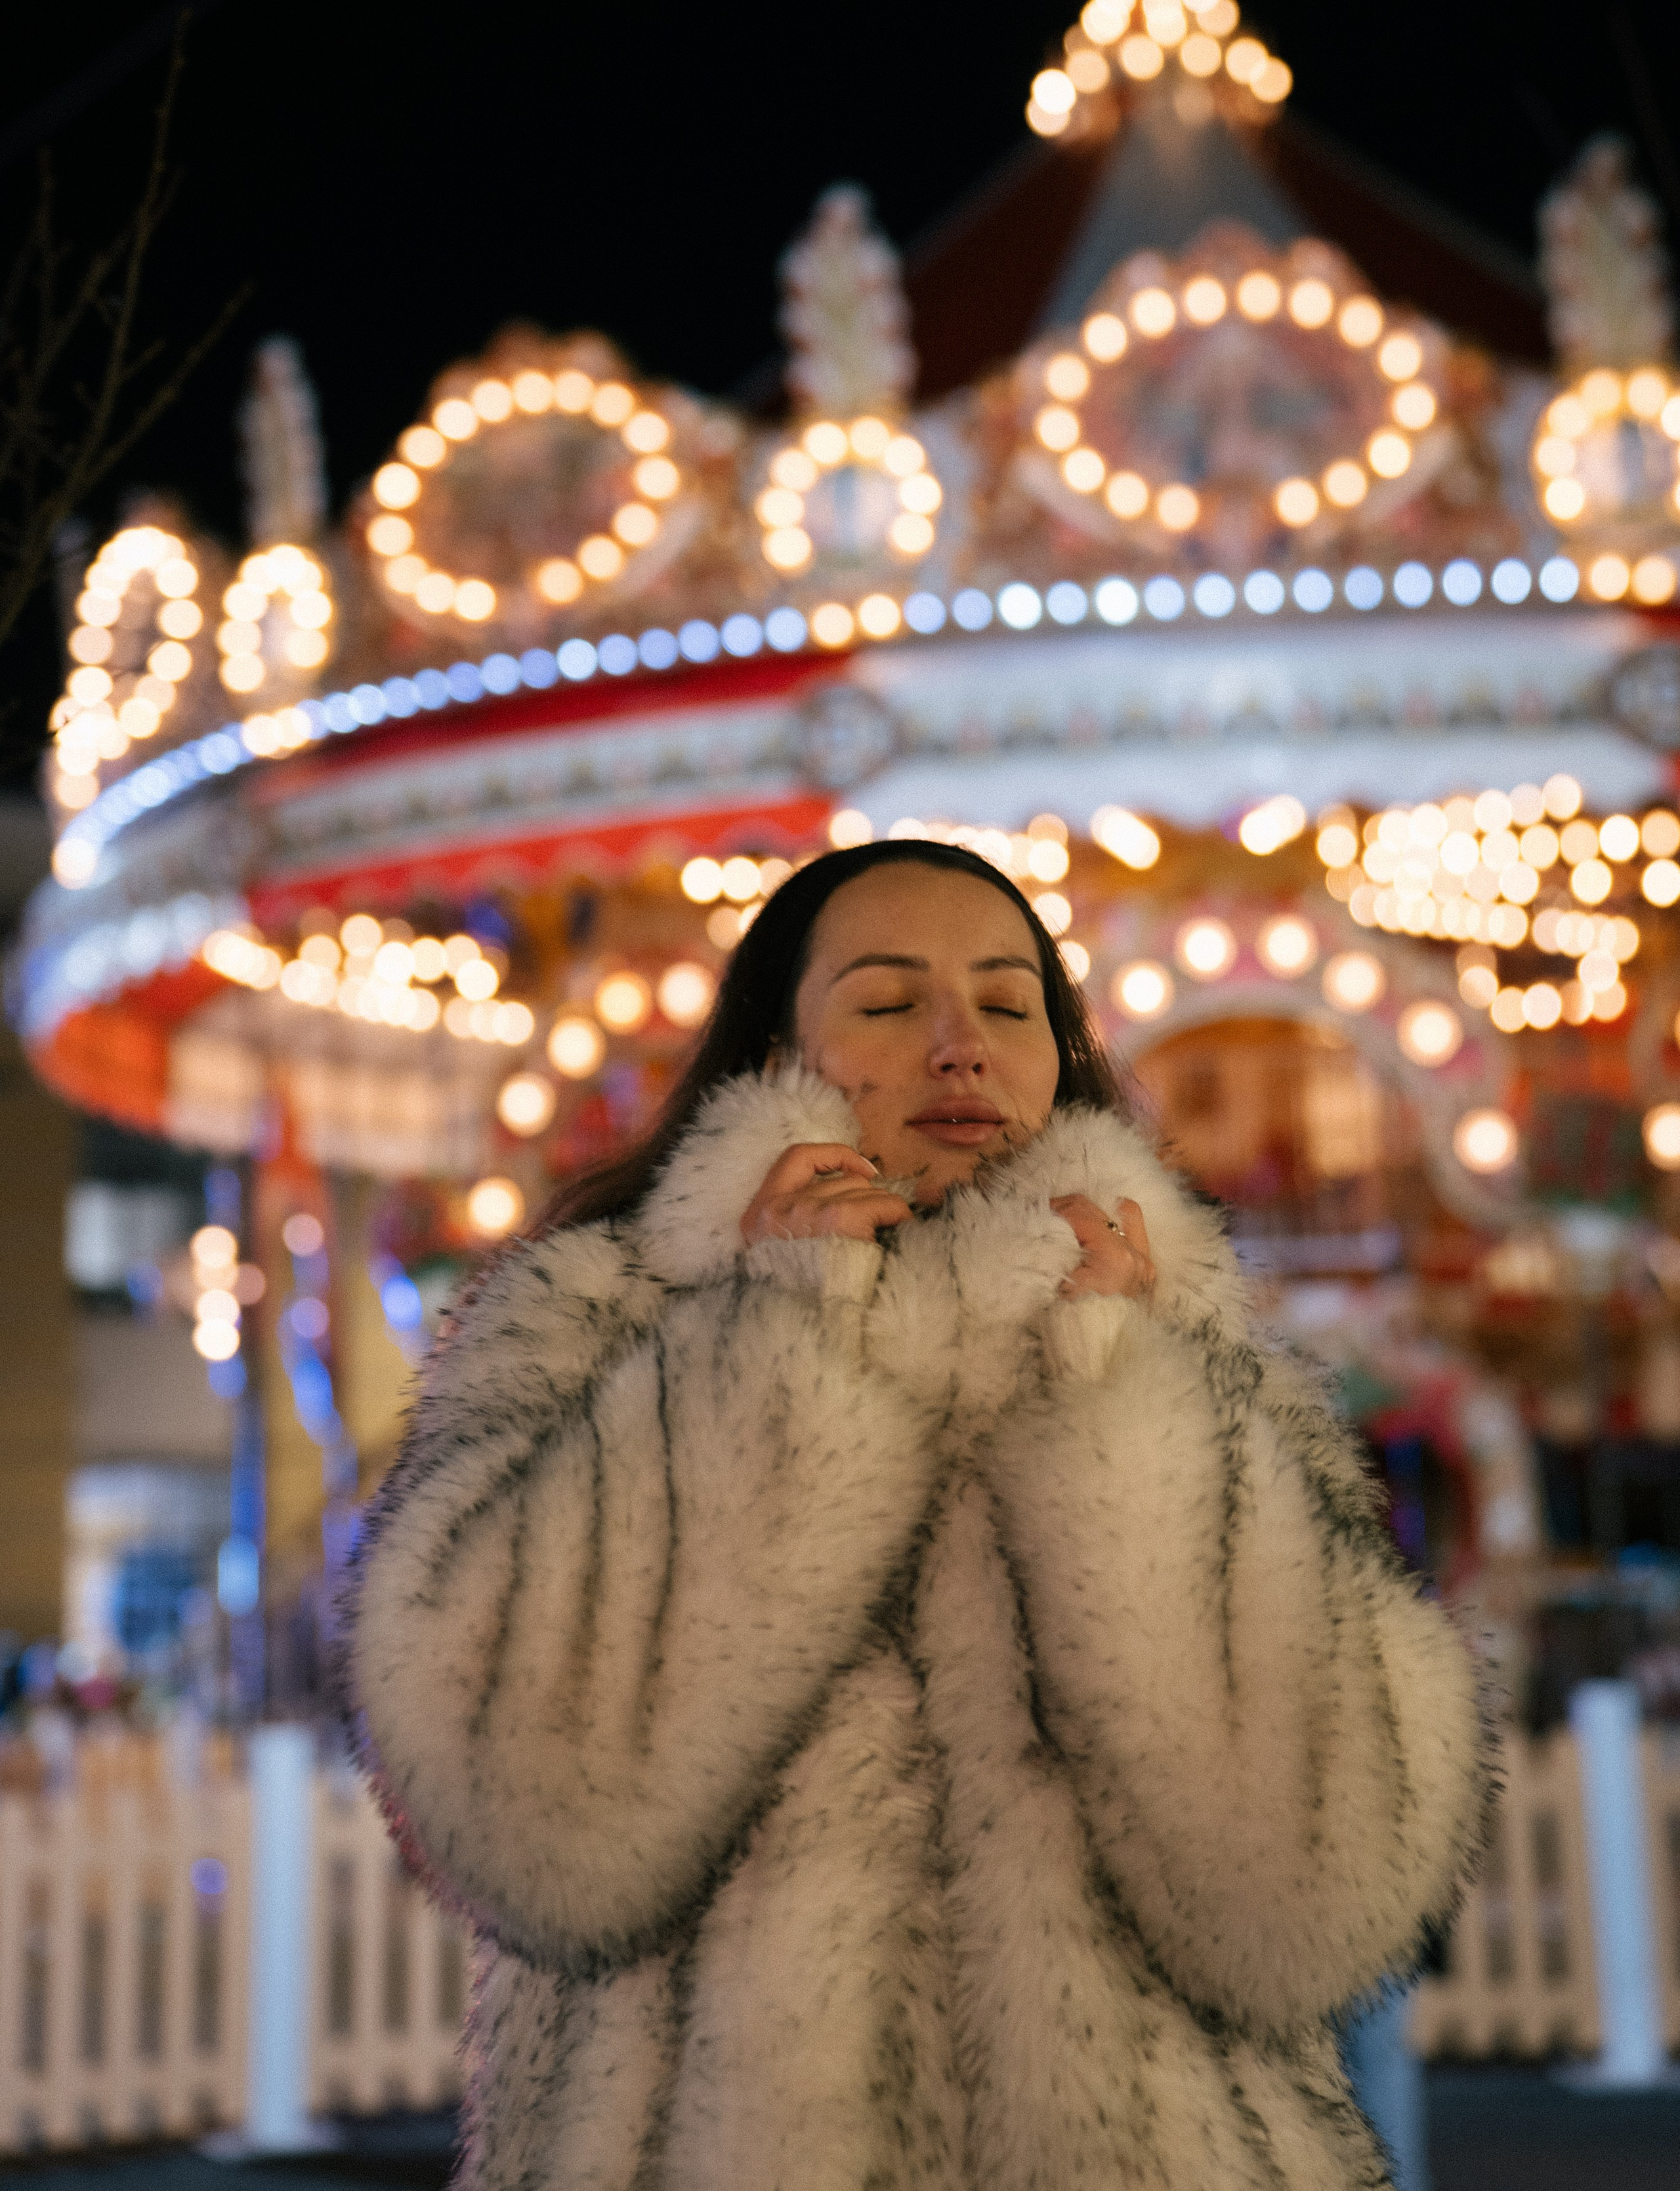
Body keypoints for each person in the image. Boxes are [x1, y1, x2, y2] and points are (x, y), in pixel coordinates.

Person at [348, 841, 1486, 2190]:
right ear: (775, 1049)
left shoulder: (1193, 1359)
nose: (960, 1049)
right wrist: (766, 1357)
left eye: (1008, 1008)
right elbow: (528, 1821)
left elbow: (1315, 1887)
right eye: (889, 1005)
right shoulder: (592, 1327)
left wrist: (1119, 1412)